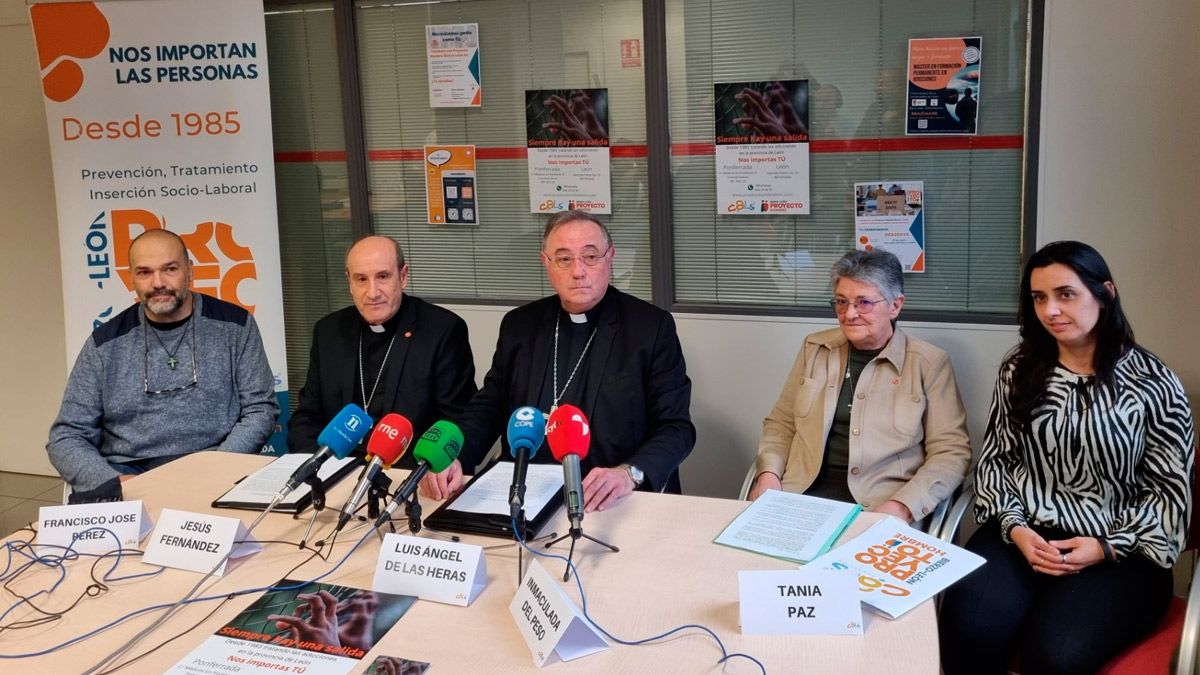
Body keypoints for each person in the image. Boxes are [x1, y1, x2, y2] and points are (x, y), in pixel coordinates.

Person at [939, 241, 1195, 674]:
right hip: (1023, 533)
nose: (1050, 310)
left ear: (1105, 293)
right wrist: (1015, 528)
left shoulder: (1154, 382)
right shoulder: (1021, 368)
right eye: (1039, 297)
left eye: (1066, 294)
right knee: (968, 629)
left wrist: (1106, 547)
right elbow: (999, 459)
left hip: (1121, 550)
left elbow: (1169, 493)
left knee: (1056, 655)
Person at [419, 210, 695, 511]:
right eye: (564, 259)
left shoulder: (650, 328)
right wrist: (456, 456)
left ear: (610, 257)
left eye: (590, 256)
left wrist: (629, 473)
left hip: (606, 494)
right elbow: (489, 407)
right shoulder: (520, 325)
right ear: (546, 263)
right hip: (524, 489)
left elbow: (676, 428)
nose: (578, 271)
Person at [47, 229, 278, 494]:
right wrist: (115, 483)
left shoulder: (235, 326)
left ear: (190, 271)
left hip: (217, 470)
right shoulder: (104, 344)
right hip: (130, 478)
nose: (158, 282)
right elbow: (66, 436)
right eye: (145, 272)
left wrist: (216, 469)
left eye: (170, 269)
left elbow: (260, 411)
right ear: (131, 277)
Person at [748, 249, 971, 523]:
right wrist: (768, 475)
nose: (849, 314)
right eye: (841, 302)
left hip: (880, 506)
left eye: (863, 303)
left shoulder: (928, 364)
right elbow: (782, 424)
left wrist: (901, 506)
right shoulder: (815, 349)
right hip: (801, 497)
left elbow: (951, 453)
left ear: (895, 306)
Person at [288, 236, 475, 467]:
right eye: (361, 279)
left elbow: (455, 423)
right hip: (335, 468)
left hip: (406, 473)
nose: (372, 292)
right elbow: (306, 417)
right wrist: (316, 466)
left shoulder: (442, 331)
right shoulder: (328, 331)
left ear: (403, 276)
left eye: (383, 277)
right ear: (349, 281)